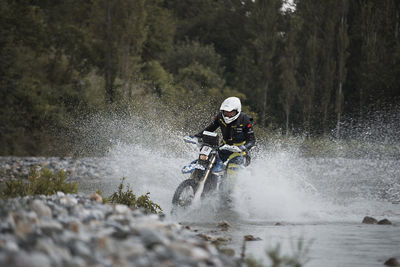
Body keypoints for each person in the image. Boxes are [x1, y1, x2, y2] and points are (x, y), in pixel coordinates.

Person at [194, 96, 256, 175]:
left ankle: (228, 187)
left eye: (231, 112)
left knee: (231, 171)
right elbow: (210, 128)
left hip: (239, 152)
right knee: (207, 161)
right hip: (223, 147)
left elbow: (252, 140)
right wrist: (197, 136)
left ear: (237, 111)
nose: (227, 114)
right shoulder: (220, 117)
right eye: (225, 111)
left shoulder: (244, 119)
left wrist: (242, 147)